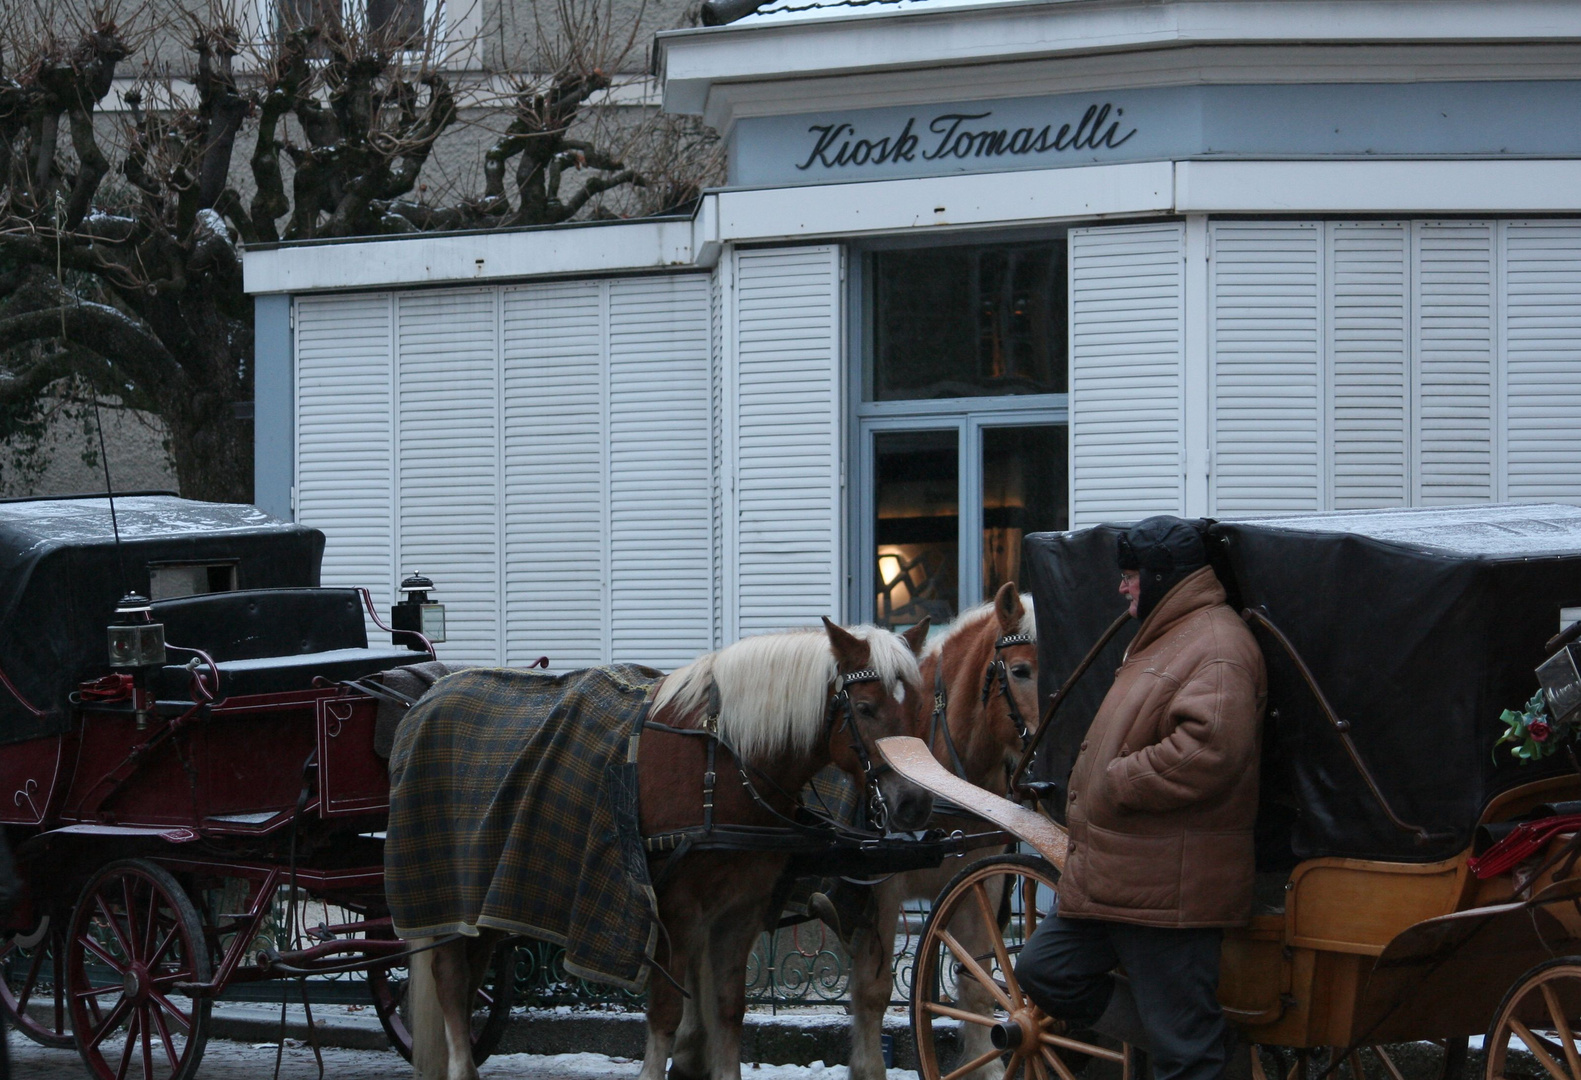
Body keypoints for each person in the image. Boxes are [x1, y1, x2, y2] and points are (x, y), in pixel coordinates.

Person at [1015, 516, 1266, 1080]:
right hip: (1120, 880)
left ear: (1163, 576)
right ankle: (1201, 1039)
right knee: (1046, 968)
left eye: (1131, 575)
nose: (1123, 586)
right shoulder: (1170, 635)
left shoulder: (1217, 645)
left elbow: (1211, 750)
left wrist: (1118, 780)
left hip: (1167, 891)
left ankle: (1197, 1044)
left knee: (1184, 1054)